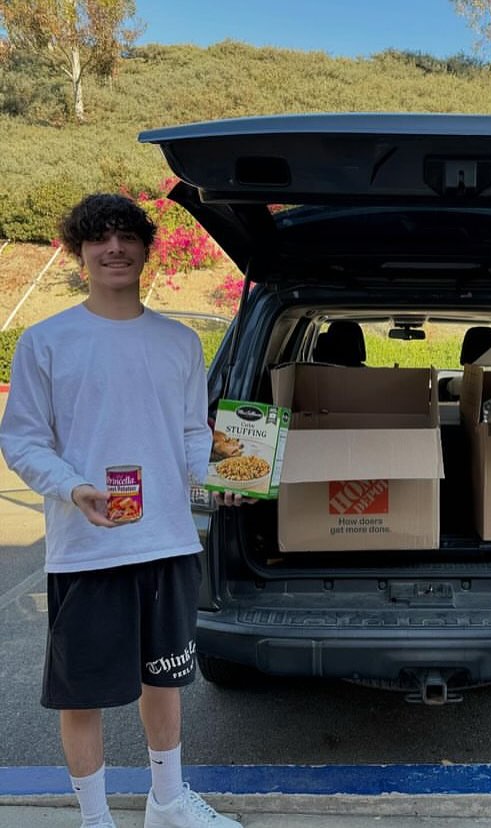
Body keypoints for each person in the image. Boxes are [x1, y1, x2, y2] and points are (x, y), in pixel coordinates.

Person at [0, 194, 245, 827]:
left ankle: (166, 801)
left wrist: (219, 478)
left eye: (126, 236)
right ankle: (95, 818)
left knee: (165, 682)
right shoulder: (46, 341)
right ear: (80, 251)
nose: (115, 247)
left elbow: (194, 433)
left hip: (168, 541)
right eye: (99, 237)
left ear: (145, 249)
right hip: (86, 546)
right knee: (82, 692)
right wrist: (72, 487)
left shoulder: (178, 342)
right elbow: (23, 438)